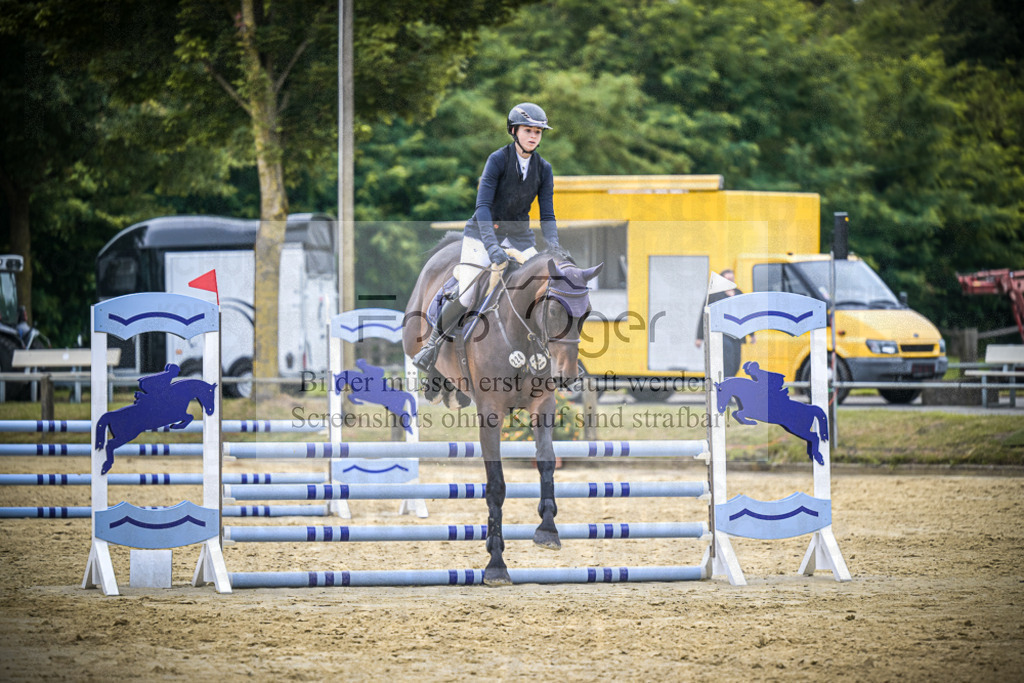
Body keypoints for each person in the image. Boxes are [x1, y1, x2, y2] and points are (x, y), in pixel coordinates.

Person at [413, 102, 560, 372]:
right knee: (468, 292)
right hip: (482, 235)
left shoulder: (544, 169)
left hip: (519, 239)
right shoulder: (498, 160)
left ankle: (547, 353)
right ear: (514, 131)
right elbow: (482, 207)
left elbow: (547, 215)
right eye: (528, 130)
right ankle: (432, 345)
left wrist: (553, 246)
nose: (533, 136)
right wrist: (492, 247)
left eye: (538, 132)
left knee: (542, 287)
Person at [695, 269, 753, 377]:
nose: (730, 280)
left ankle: (729, 382)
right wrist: (699, 337)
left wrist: (752, 333)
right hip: (722, 334)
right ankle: (725, 386)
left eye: (731, 278)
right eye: (727, 279)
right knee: (728, 361)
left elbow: (746, 314)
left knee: (736, 362)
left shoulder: (739, 293)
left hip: (737, 334)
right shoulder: (714, 295)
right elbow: (704, 315)